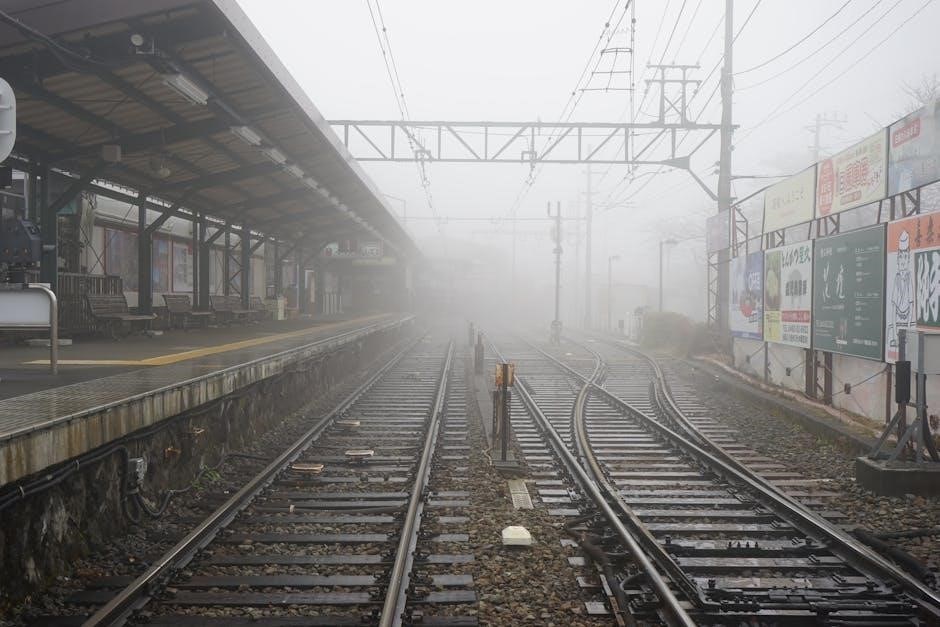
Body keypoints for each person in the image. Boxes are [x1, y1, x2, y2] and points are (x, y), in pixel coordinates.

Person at [888, 229, 914, 349]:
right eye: (901, 257)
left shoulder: (909, 278)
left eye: (905, 257)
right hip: (897, 319)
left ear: (908, 259)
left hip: (907, 320)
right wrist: (894, 336)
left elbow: (911, 305)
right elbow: (893, 309)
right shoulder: (896, 278)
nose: (903, 261)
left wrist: (908, 332)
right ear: (898, 260)